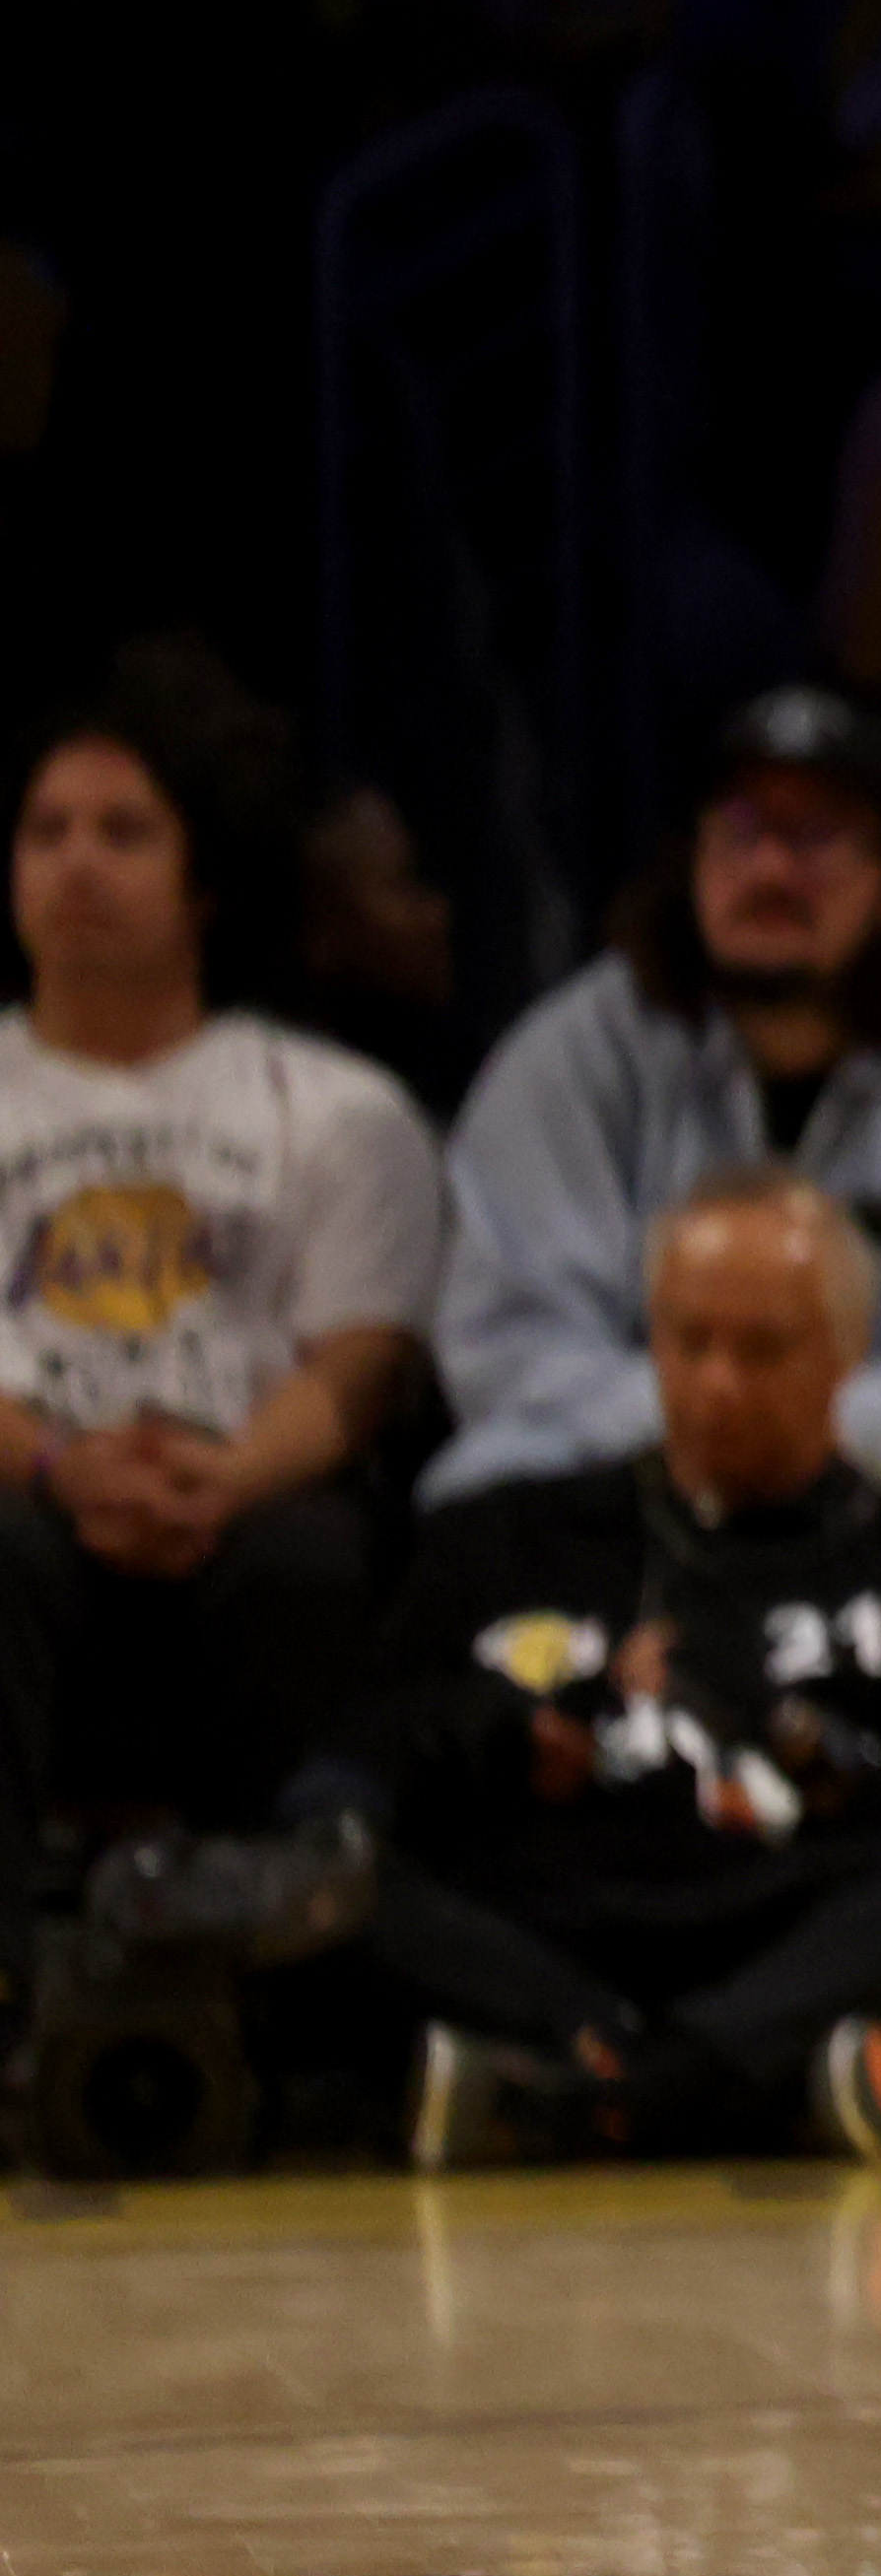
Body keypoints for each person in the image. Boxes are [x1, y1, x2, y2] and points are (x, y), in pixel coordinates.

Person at [430, 691, 881, 2124]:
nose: (771, 867)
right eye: (742, 829)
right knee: (473, 1494)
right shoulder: (581, 1048)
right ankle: (522, 1947)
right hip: (645, 1480)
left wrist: (834, 1431)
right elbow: (509, 1344)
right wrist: (702, 1422)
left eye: (819, 838)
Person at [317, 1170, 881, 2169]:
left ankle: (595, 2082)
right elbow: (370, 1754)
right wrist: (508, 1729)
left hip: (782, 1922)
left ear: (848, 1355)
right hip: (552, 1922)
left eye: (762, 1349)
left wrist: (792, 1731)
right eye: (689, 1341)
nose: (717, 1381)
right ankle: (735, 2077)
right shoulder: (503, 1536)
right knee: (326, 1871)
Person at [0, 696, 440, 1947]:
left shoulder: (339, 1109)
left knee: (304, 1560)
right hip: (23, 1479)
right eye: (47, 830)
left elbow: (357, 1365)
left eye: (124, 831)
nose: (76, 859)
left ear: (207, 882)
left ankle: (294, 1980)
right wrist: (55, 1461)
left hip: (244, 1491)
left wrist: (225, 1476)